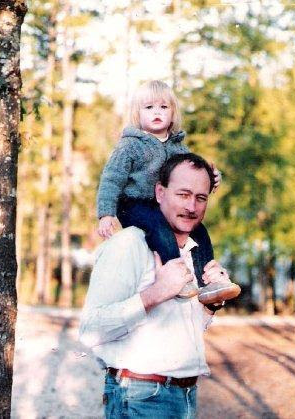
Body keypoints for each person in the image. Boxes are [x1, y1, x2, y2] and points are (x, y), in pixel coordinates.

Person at [80, 153, 239, 418]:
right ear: (159, 192)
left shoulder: (193, 250)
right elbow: (90, 330)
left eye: (201, 198)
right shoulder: (128, 244)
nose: (192, 206)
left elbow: (182, 331)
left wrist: (210, 305)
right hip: (140, 396)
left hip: (184, 395)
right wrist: (156, 293)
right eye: (183, 194)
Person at [95, 80, 238, 304]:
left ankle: (208, 282)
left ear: (173, 113)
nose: (157, 113)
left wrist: (212, 179)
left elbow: (192, 177)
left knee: (199, 231)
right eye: (149, 108)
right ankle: (177, 276)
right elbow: (111, 179)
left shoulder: (178, 148)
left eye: (163, 107)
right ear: (137, 113)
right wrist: (106, 213)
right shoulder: (130, 146)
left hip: (162, 206)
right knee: (159, 228)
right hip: (133, 204)